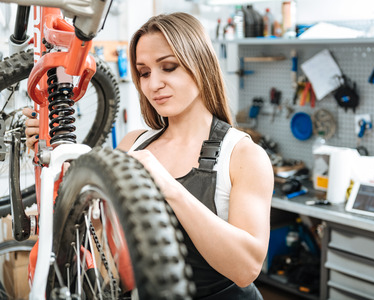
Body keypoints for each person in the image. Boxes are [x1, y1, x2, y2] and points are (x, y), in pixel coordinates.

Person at [24, 12, 273, 299]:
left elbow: (247, 268)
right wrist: (51, 158)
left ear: (201, 65)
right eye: (144, 73)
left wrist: (171, 190)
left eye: (168, 67)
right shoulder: (134, 145)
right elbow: (95, 229)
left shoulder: (244, 155)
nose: (154, 84)